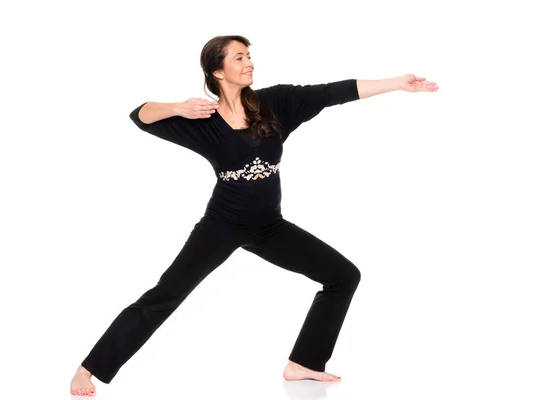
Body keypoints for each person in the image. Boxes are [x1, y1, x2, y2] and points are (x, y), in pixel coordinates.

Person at [70, 34, 439, 396]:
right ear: (217, 71)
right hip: (222, 225)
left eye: (249, 56)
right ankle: (89, 369)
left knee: (343, 276)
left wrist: (397, 83)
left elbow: (331, 92)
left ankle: (304, 364)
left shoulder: (276, 103)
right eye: (239, 58)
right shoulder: (202, 118)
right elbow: (140, 115)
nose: (249, 63)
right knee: (165, 295)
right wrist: (176, 107)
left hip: (269, 227)